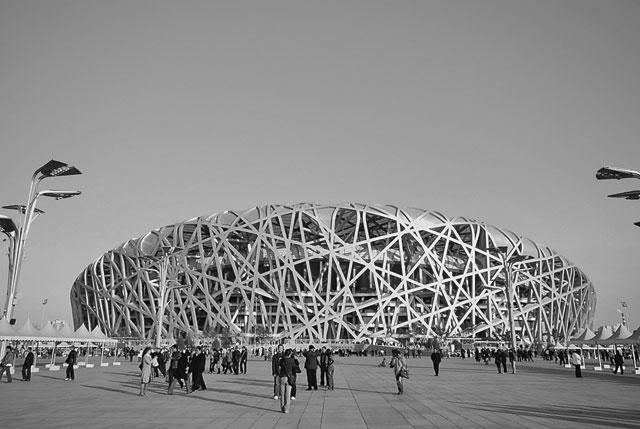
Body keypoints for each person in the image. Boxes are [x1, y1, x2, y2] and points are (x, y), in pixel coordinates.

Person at [278, 349, 295, 413]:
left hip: (282, 377)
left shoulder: (281, 360)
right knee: (288, 394)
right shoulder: (292, 360)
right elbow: (295, 368)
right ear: (290, 354)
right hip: (289, 377)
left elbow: (279, 368)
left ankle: (282, 408)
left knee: (282, 394)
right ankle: (286, 409)